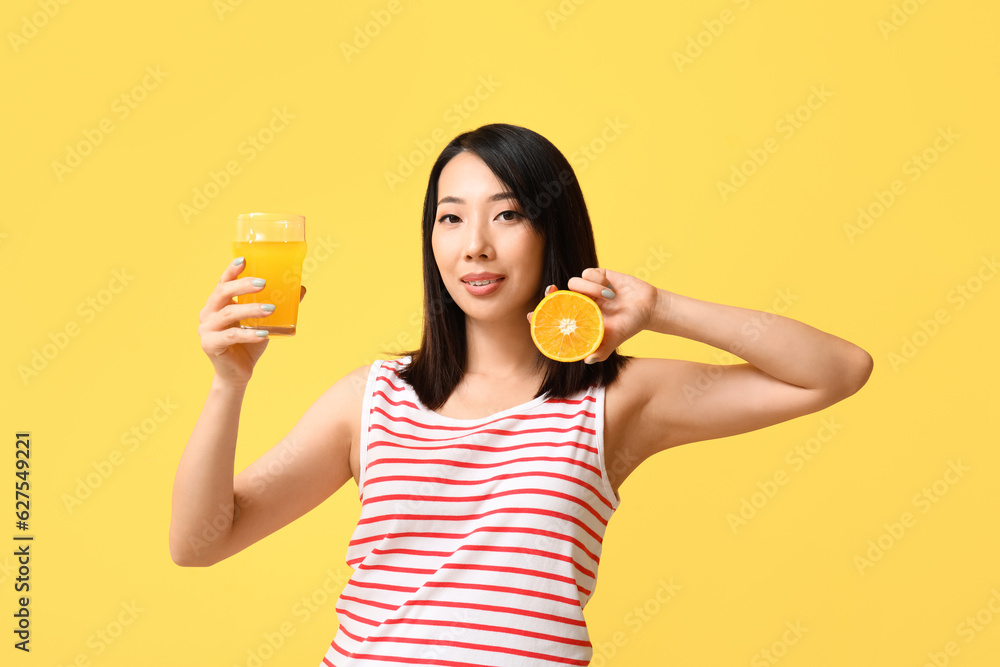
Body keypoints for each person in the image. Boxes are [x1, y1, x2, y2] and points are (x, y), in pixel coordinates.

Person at [169, 123, 873, 666]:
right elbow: (199, 542)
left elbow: (836, 368)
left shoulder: (614, 396)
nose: (474, 244)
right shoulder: (372, 398)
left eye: (505, 215)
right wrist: (228, 383)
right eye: (451, 217)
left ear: (551, 232)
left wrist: (661, 309)